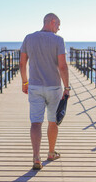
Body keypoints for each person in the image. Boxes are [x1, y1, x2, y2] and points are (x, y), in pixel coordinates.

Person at [20, 13, 70, 170]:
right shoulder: (58, 40)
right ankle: (50, 152)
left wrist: (24, 82)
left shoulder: (29, 38)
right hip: (54, 87)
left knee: (36, 122)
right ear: (52, 21)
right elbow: (62, 66)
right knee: (52, 121)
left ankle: (36, 157)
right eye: (58, 24)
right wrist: (67, 87)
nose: (59, 28)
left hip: (34, 86)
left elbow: (22, 63)